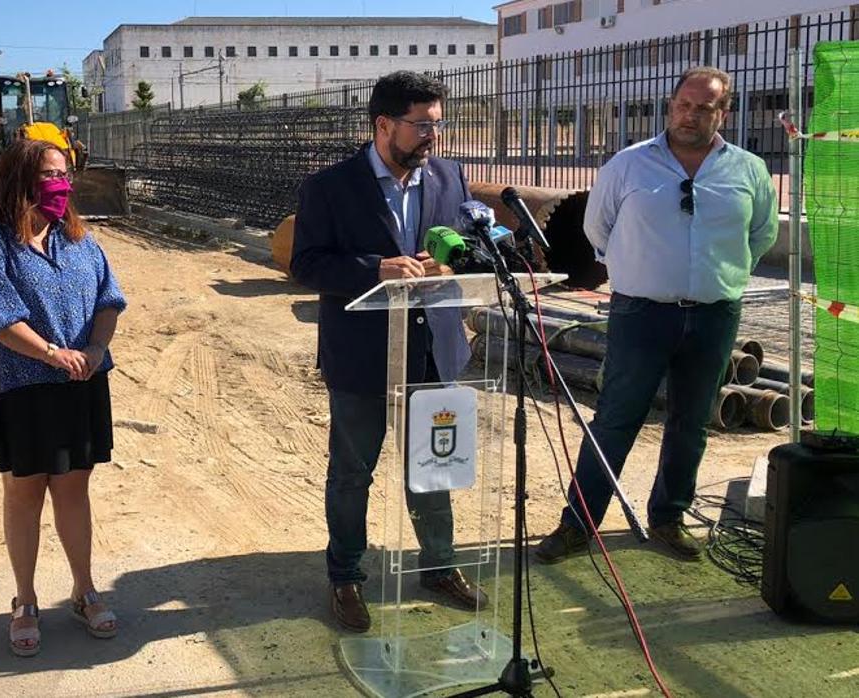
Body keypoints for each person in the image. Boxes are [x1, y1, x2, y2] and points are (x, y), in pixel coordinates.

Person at [536, 67, 778, 564]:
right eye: (684, 104)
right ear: (671, 106)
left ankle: (668, 518)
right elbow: (596, 228)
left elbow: (761, 235)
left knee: (691, 423)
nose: (691, 115)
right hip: (641, 314)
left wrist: (718, 277)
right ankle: (579, 524)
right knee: (616, 419)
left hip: (714, 316)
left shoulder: (748, 170)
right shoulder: (628, 165)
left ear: (723, 112)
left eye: (704, 107)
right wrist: (638, 271)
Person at [291, 71, 489, 633]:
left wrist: (451, 265)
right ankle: (346, 577)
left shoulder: (449, 177)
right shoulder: (330, 186)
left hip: (434, 350)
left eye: (438, 125)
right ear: (383, 125)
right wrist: (373, 269)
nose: (433, 137)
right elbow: (305, 263)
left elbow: (471, 245)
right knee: (353, 472)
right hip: (361, 357)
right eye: (422, 126)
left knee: (434, 466)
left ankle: (439, 566)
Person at [0, 138, 127, 657]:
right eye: (51, 175)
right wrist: (53, 353)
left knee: (74, 491)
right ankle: (26, 600)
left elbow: (108, 299)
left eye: (66, 174)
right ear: (18, 181)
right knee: (24, 494)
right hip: (22, 389)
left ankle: (84, 590)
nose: (62, 185)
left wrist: (97, 347)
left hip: (80, 386)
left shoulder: (79, 240)